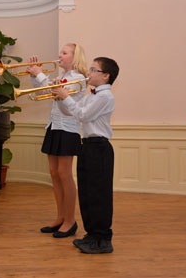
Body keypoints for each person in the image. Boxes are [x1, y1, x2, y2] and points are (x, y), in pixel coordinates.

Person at [51, 57, 119, 254]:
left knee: (99, 195)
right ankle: (91, 235)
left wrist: (66, 96)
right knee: (87, 194)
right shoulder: (92, 95)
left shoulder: (106, 97)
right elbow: (72, 112)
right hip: (88, 146)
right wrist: (59, 95)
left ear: (105, 76)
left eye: (93, 70)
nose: (89, 73)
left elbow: (83, 115)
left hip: (99, 148)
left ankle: (102, 238)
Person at [26, 43, 88, 238]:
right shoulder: (61, 77)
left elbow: (59, 93)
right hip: (54, 126)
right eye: (60, 52)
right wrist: (35, 76)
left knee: (64, 174)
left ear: (74, 57)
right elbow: (41, 93)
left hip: (68, 129)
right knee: (54, 173)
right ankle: (60, 217)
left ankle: (70, 221)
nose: (59, 55)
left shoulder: (78, 78)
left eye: (64, 53)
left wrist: (41, 75)